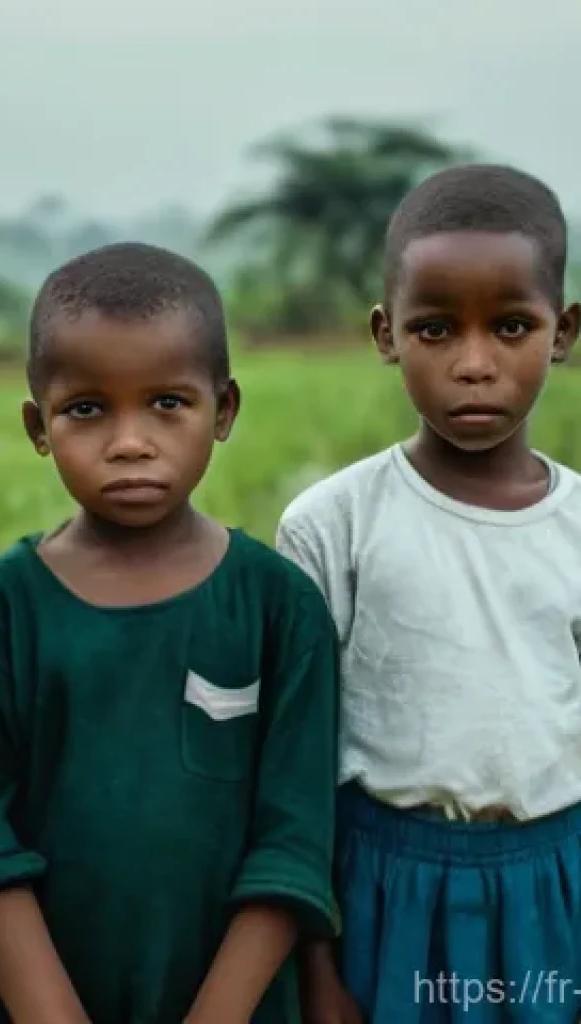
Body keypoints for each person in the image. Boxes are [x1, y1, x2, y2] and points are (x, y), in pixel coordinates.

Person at [0, 241, 342, 1024]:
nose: (129, 441)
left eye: (167, 403)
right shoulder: (3, 607)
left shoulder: (277, 606)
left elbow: (294, 842)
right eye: (87, 408)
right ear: (38, 424)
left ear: (223, 411)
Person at [276, 164, 581, 1024]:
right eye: (437, 329)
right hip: (384, 883)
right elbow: (292, 761)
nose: (475, 364)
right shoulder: (332, 524)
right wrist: (317, 957)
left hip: (553, 881)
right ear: (387, 333)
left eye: (513, 326)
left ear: (563, 333)